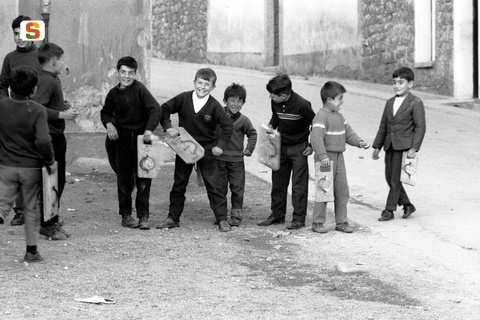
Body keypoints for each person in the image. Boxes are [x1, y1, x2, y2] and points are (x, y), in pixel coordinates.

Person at [157, 68, 233, 232]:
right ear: (194, 82)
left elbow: (227, 126)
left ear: (213, 87)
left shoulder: (214, 106)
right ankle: (173, 217)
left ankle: (222, 219)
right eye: (200, 83)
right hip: (184, 147)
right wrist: (168, 127)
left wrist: (220, 146)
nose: (203, 87)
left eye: (207, 84)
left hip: (206, 149)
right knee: (179, 183)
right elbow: (164, 108)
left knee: (214, 185)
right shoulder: (184, 98)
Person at [100, 56, 163, 230]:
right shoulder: (113, 94)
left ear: (136, 73)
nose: (126, 76)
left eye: (130, 73)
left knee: (144, 179)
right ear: (118, 73)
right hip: (122, 141)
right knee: (124, 179)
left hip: (143, 141)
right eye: (123, 72)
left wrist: (149, 130)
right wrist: (109, 124)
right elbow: (105, 112)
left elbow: (156, 110)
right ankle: (126, 215)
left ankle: (143, 216)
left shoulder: (140, 90)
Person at [0, 66, 54, 262]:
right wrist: (49, 161)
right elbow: (43, 141)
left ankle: (1, 211)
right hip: (30, 168)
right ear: (33, 90)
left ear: (11, 88)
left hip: (6, 166)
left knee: (3, 201)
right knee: (30, 207)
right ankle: (31, 251)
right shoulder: (37, 110)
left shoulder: (2, 106)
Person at [257, 74, 315, 230]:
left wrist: (312, 145)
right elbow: (276, 117)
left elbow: (315, 124)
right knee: (278, 182)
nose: (270, 97)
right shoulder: (275, 102)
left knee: (299, 185)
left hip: (299, 148)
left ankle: (298, 219)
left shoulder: (302, 105)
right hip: (280, 146)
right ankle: (277, 215)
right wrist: (271, 125)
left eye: (273, 95)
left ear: (283, 95)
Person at [310, 81, 370, 233]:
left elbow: (348, 133)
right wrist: (322, 156)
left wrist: (359, 142)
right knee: (324, 190)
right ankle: (317, 222)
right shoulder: (320, 117)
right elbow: (316, 139)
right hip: (325, 158)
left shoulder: (340, 117)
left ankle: (341, 222)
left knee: (342, 191)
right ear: (329, 99)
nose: (342, 101)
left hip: (338, 158)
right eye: (339, 98)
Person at [0, 15, 43, 226]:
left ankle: (39, 208)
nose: (19, 38)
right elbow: (1, 86)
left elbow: (51, 83)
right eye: (16, 34)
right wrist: (7, 106)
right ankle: (20, 211)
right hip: (15, 119)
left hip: (37, 117)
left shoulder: (42, 55)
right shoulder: (10, 58)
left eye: (24, 33)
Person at [33, 42, 79, 240]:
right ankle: (46, 225)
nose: (63, 63)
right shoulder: (47, 81)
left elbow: (48, 102)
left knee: (57, 180)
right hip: (50, 137)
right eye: (61, 59)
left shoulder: (51, 78)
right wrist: (62, 114)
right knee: (51, 180)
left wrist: (62, 105)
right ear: (53, 61)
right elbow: (37, 108)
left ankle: (53, 219)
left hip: (56, 136)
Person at [372, 67, 426, 221]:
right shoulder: (390, 102)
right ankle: (407, 204)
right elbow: (383, 125)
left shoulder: (415, 102)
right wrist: (377, 146)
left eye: (401, 82)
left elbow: (420, 127)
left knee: (395, 179)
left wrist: (414, 147)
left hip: (404, 147)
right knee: (389, 177)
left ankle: (389, 210)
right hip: (389, 145)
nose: (396, 86)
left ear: (410, 84)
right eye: (394, 82)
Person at [216, 83, 257, 227]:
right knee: (219, 188)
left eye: (239, 101)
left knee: (237, 188)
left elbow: (252, 133)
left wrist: (249, 149)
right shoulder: (218, 115)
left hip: (237, 161)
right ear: (225, 100)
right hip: (219, 159)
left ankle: (236, 216)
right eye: (232, 100)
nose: (235, 104)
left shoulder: (243, 120)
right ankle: (220, 215)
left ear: (243, 103)